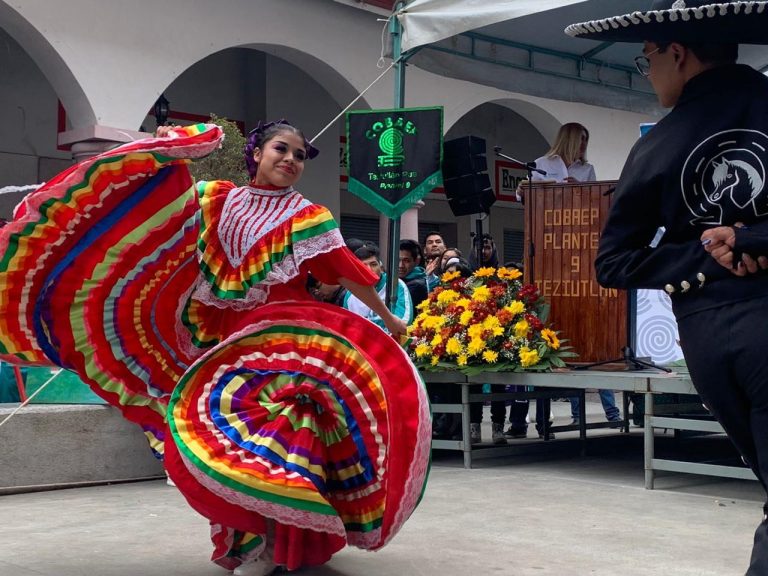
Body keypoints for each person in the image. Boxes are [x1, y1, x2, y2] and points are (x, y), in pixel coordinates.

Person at [0, 121, 430, 576]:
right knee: (223, 440)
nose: (290, 160)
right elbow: (166, 215)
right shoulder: (216, 200)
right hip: (218, 337)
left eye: (299, 155)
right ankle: (253, 542)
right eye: (281, 149)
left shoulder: (309, 217)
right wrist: (168, 147)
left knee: (284, 433)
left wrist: (389, 317)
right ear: (257, 154)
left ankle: (283, 539)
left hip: (286, 338)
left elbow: (344, 271)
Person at [566, 2, 768, 573]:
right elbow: (614, 263)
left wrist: (732, 246)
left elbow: (613, 262)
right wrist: (730, 249)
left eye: (647, 58)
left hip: (710, 340)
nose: (648, 71)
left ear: (677, 54)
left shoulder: (658, 144)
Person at [343, 242, 413, 333]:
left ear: (380, 266)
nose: (369, 269)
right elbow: (347, 327)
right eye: (364, 266)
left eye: (373, 264)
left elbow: (404, 322)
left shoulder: (396, 285)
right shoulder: (350, 294)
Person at [531, 122, 596, 184]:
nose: (584, 143)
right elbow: (527, 192)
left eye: (586, 140)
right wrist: (521, 192)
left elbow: (595, 195)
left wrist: (579, 188)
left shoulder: (588, 169)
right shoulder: (541, 163)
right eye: (581, 138)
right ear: (568, 140)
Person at [398, 238, 429, 307]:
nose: (401, 265)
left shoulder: (416, 285)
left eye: (406, 260)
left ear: (417, 261)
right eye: (397, 260)